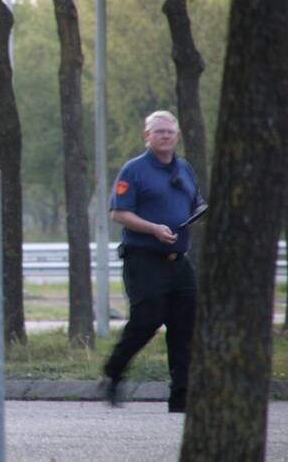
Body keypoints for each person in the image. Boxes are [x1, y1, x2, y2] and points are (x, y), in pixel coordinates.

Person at [102, 110, 206, 413]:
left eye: (170, 132)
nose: (165, 136)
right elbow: (119, 212)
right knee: (147, 319)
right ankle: (113, 372)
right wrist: (153, 229)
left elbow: (194, 202)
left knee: (185, 326)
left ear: (177, 136)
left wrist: (199, 214)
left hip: (178, 261)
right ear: (146, 136)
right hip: (143, 258)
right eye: (159, 131)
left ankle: (181, 397)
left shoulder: (184, 168)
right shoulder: (133, 170)